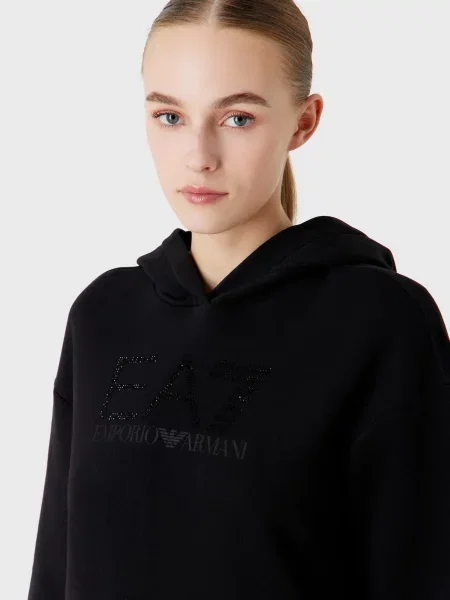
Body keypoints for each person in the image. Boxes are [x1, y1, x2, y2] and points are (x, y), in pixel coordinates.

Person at [27, 1, 450, 599]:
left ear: (303, 122)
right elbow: (56, 568)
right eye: (170, 116)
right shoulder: (104, 313)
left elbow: (421, 571)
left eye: (237, 118)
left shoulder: (380, 322)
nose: (199, 155)